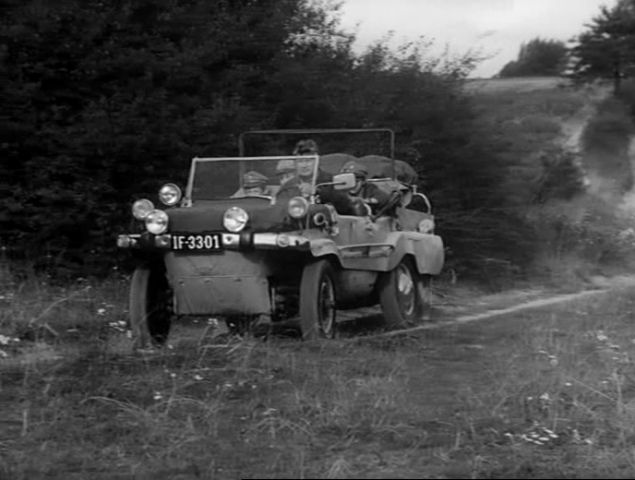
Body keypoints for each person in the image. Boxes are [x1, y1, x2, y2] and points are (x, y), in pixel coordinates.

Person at [276, 139, 355, 214]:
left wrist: (317, 192)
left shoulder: (331, 181)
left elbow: (346, 206)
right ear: (295, 164)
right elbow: (279, 211)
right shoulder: (288, 186)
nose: (304, 165)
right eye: (300, 161)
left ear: (317, 161)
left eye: (308, 160)